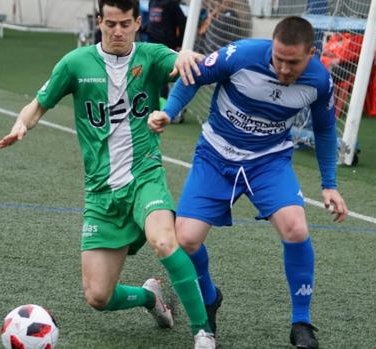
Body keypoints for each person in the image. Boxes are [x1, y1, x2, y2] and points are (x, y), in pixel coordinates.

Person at [0, 1, 215, 348]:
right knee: (99, 296)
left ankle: (203, 332)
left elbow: (176, 61)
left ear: (137, 23)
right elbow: (38, 104)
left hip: (144, 177)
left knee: (164, 241)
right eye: (110, 23)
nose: (117, 31)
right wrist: (22, 124)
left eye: (125, 24)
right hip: (101, 193)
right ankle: (150, 298)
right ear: (99, 22)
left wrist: (185, 55)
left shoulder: (151, 55)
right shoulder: (76, 63)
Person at [148, 16, 349, 348]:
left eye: (293, 62)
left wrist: (329, 184)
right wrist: (169, 111)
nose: (284, 69)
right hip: (216, 156)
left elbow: (326, 131)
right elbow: (192, 74)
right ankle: (210, 298)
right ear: (271, 46)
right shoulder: (241, 55)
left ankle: (301, 323)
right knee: (185, 240)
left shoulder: (320, 81)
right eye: (278, 59)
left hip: (268, 162)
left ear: (311, 53)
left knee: (296, 228)